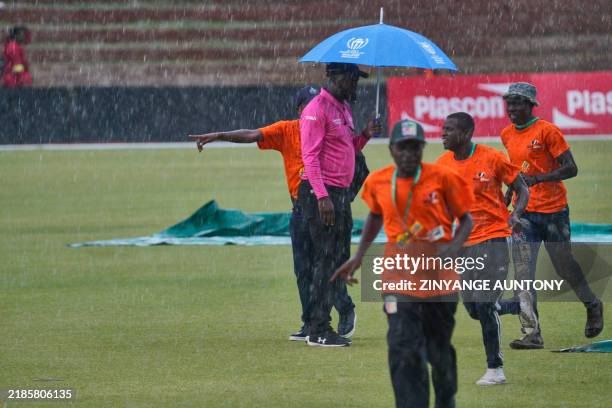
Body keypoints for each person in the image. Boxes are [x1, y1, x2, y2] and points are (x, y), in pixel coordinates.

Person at [188, 86, 365, 342]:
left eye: (317, 104)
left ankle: (344, 308)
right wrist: (219, 135)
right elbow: (252, 134)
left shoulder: (328, 127)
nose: (314, 111)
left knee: (327, 263)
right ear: (299, 110)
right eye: (308, 106)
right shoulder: (287, 130)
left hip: (324, 204)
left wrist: (365, 136)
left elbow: (351, 153)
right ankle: (311, 323)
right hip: (301, 209)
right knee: (304, 269)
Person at [332, 119, 474, 407]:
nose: (408, 154)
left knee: (438, 351)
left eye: (414, 147)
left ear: (422, 149)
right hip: (398, 281)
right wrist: (359, 256)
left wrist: (455, 247)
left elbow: (466, 219)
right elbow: (374, 215)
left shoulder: (444, 178)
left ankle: (446, 399)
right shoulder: (378, 181)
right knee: (403, 349)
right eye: (402, 147)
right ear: (392, 149)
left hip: (439, 282)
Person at [498, 82, 604, 349]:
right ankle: (532, 333)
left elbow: (571, 168)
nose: (511, 108)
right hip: (524, 214)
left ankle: (592, 304)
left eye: (518, 103)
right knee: (523, 273)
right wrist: (509, 194)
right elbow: (516, 171)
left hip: (554, 211)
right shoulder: (506, 134)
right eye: (509, 103)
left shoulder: (548, 131)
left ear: (531, 105)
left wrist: (539, 179)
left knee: (564, 265)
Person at [436, 112, 530, 386]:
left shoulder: (491, 157)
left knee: (485, 304)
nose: (442, 134)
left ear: (465, 134)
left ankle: (495, 368)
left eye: (448, 130)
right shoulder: (442, 165)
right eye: (442, 129)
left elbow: (522, 189)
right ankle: (517, 304)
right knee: (474, 308)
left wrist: (515, 215)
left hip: (494, 237)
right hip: (464, 244)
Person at [298, 62, 380, 347]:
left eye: (357, 80)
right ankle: (319, 328)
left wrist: (366, 135)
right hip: (323, 195)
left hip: (340, 195)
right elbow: (309, 157)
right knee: (325, 260)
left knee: (336, 259)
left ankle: (321, 325)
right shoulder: (316, 109)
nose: (355, 85)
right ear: (333, 77)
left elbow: (347, 149)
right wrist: (322, 196)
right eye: (351, 79)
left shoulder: (343, 108)